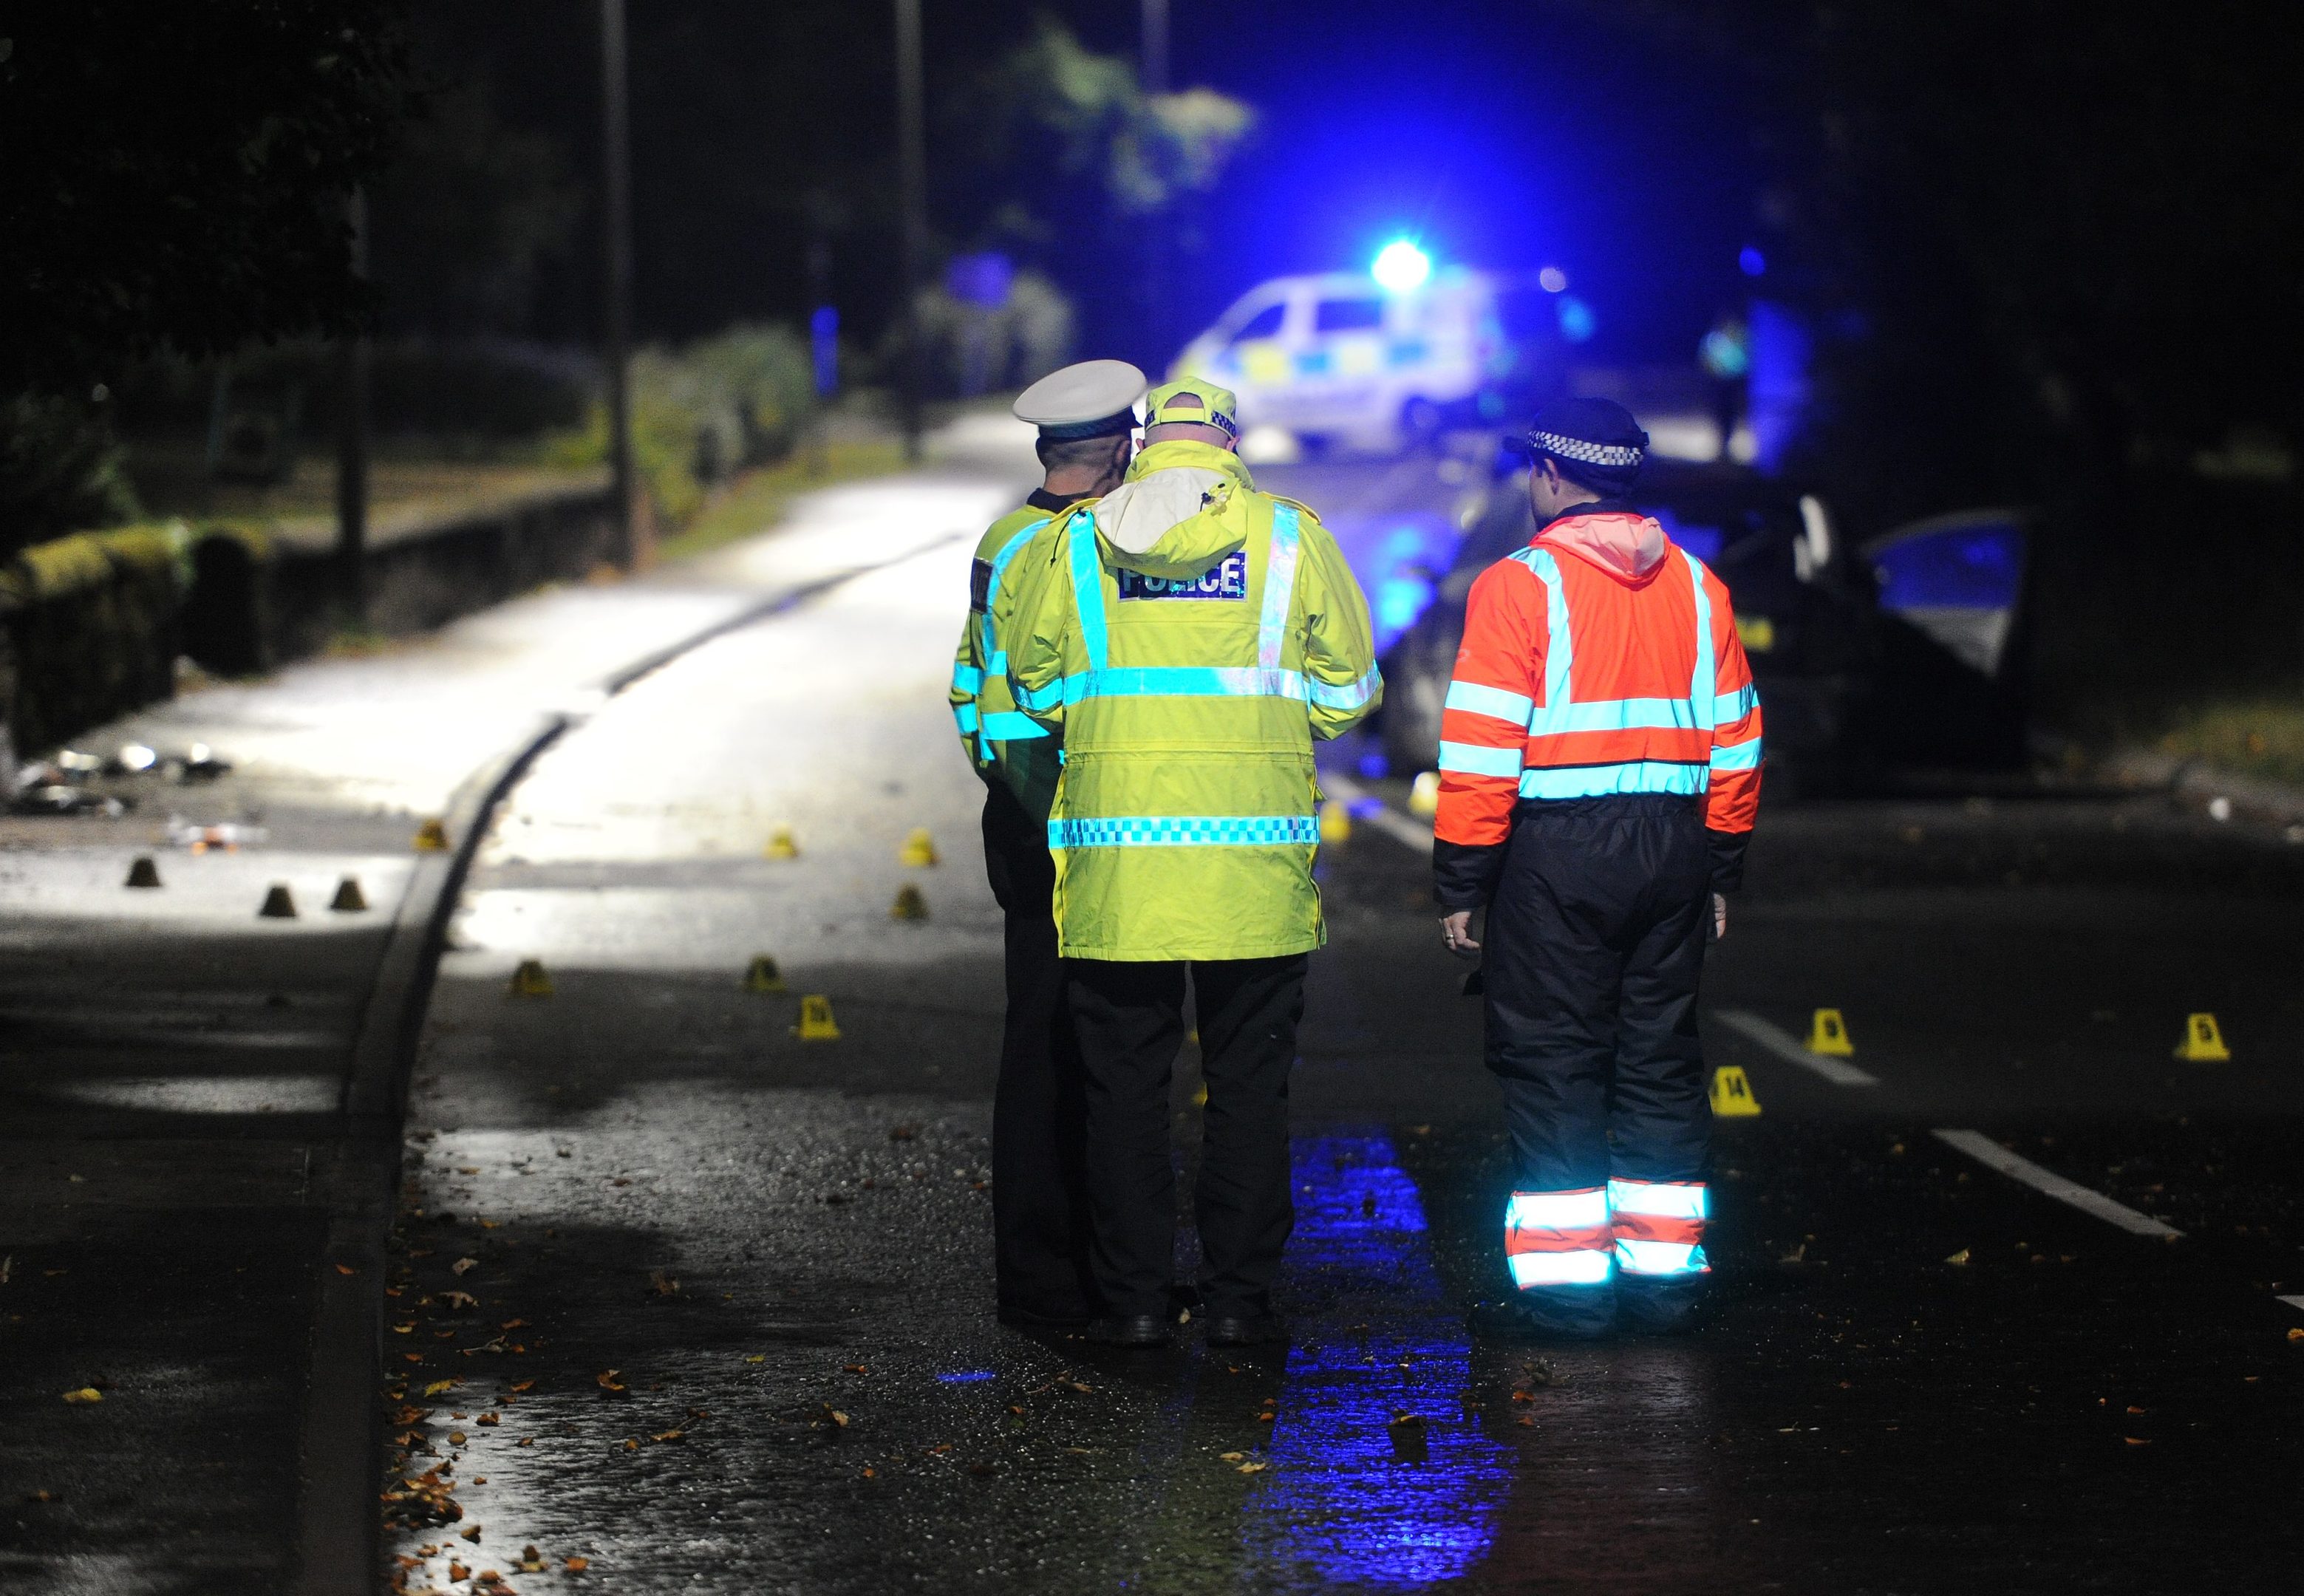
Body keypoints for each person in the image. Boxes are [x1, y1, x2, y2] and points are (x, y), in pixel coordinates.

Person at [1003, 380, 1382, 1348]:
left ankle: (1132, 1302)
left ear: (1143, 443)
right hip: (1250, 876)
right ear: (1226, 443)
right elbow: (1347, 692)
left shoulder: (1075, 540)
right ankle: (1236, 1302)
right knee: (1250, 1094)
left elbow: (1036, 683)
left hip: (1118, 878)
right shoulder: (1289, 538)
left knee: (1122, 1095)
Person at [1432, 397, 1763, 1339]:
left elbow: (1484, 750)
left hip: (1555, 857)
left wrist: (1463, 880)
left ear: (1548, 476)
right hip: (1675, 849)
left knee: (1553, 1062)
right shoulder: (1702, 588)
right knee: (1659, 1061)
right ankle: (1665, 1278)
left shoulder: (1518, 585)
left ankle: (1573, 1295)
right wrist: (1721, 866)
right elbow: (1738, 742)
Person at [948, 358, 1147, 1330]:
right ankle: (1111, 1277)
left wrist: (1024, 800)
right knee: (1110, 1056)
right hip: (1104, 826)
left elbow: (973, 686)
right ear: (1119, 447)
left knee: (1036, 1045)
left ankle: (1037, 1281)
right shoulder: (1102, 548)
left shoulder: (1003, 539)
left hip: (1024, 827)